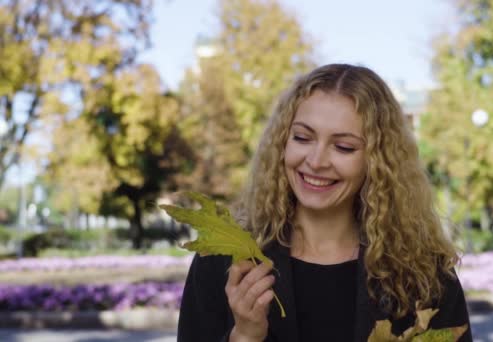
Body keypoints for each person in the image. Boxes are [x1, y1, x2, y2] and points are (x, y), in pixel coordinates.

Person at [177, 64, 473, 342]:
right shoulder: (223, 260)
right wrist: (244, 336)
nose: (316, 161)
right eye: (302, 138)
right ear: (282, 143)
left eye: (343, 147)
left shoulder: (422, 273)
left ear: (377, 161)